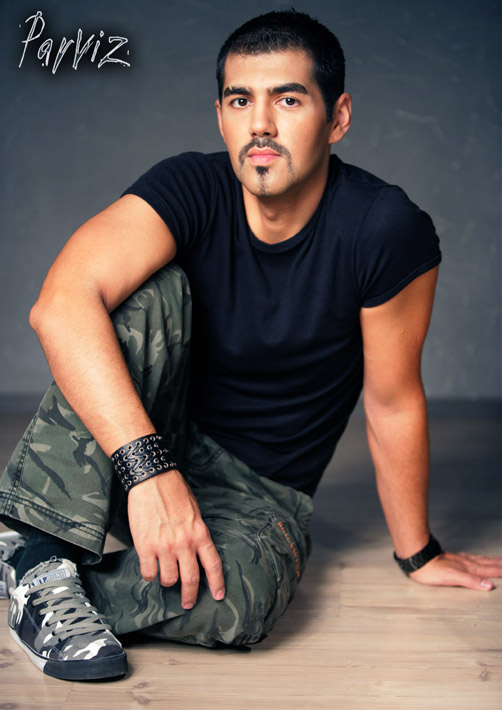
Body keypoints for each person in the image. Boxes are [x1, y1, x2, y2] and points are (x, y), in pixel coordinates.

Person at [0, 9, 500, 682]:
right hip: (140, 450)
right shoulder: (190, 187)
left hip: (263, 493)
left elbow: (393, 400)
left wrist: (419, 553)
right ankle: (40, 543)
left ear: (338, 118)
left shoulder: (384, 229)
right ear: (221, 117)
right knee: (143, 294)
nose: (260, 124)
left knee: (238, 601)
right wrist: (151, 469)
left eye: (288, 100)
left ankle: (41, 574)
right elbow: (59, 305)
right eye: (241, 101)